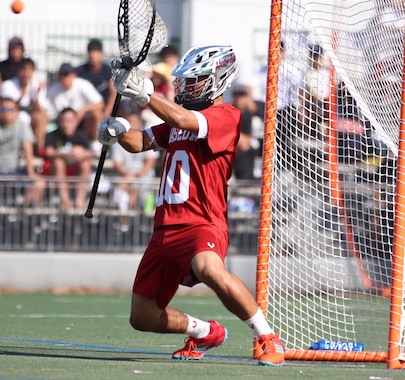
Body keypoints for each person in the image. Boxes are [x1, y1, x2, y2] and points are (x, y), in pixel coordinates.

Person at [97, 45, 285, 365]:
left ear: (218, 80)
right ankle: (204, 331)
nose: (184, 87)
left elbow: (184, 117)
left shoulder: (226, 116)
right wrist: (116, 132)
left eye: (194, 81)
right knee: (142, 316)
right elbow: (141, 142)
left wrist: (144, 93)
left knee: (209, 269)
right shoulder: (177, 121)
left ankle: (267, 337)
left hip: (201, 222)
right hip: (165, 228)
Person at [110, 112, 158, 229]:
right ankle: (125, 219)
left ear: (140, 124)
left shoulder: (147, 138)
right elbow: (117, 164)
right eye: (130, 123)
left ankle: (129, 220)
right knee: (123, 186)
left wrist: (137, 177)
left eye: (135, 122)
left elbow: (150, 163)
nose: (132, 125)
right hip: (125, 176)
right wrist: (128, 176)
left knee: (135, 187)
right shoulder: (118, 141)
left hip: (143, 176)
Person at [0, 57, 47, 152]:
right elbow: (8, 106)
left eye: (29, 70)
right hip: (12, 115)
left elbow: (38, 109)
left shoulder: (36, 86)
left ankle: (40, 149)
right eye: (23, 70)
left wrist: (37, 95)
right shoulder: (8, 85)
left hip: (30, 116)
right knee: (20, 118)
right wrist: (22, 96)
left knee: (41, 117)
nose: (26, 74)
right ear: (18, 71)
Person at [43, 63, 104, 147]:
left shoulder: (83, 85)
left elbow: (100, 104)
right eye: (62, 75)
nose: (64, 78)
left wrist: (83, 109)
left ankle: (96, 144)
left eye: (66, 74)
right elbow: (43, 104)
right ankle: (42, 147)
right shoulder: (53, 89)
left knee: (97, 114)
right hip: (62, 123)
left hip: (82, 122)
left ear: (73, 75)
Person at [43, 107, 93, 211]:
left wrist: (82, 154)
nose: (66, 124)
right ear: (59, 122)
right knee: (58, 163)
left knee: (85, 164)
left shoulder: (82, 135)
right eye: (64, 121)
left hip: (75, 166)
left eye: (70, 121)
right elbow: (49, 152)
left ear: (76, 121)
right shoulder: (52, 135)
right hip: (55, 169)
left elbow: (89, 152)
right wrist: (66, 154)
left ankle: (80, 201)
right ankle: (65, 201)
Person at [76, 39, 117, 118]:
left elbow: (113, 93)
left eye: (96, 52)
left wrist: (107, 113)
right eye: (91, 51)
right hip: (83, 109)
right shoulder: (80, 71)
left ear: (101, 54)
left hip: (102, 109)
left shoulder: (108, 71)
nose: (93, 55)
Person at [230, 85, 264, 181]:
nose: (239, 98)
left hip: (260, 145)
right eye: (237, 95)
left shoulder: (257, 108)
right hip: (238, 148)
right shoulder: (229, 111)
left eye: (243, 95)